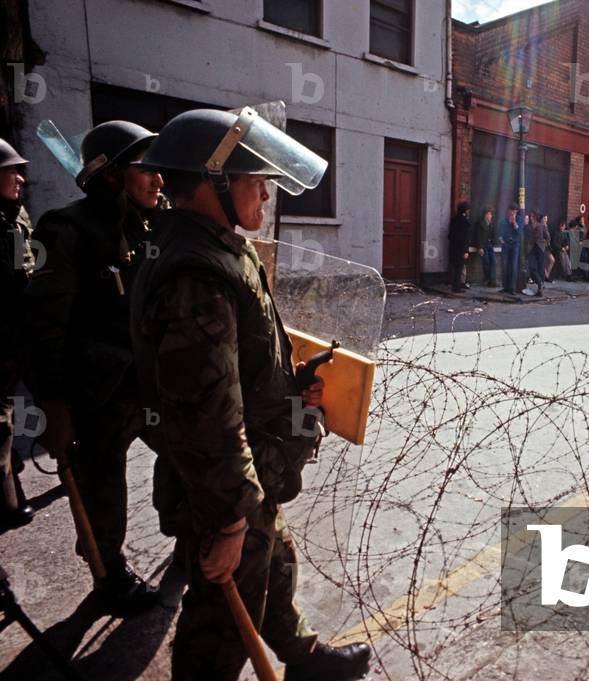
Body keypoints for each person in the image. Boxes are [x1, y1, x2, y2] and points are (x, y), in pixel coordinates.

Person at [130, 108, 372, 680]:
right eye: (254, 178)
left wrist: (290, 388)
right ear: (214, 181)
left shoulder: (213, 247)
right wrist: (232, 520)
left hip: (241, 475)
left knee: (275, 562)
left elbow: (235, 365)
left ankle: (304, 657)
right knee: (218, 622)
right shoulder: (197, 275)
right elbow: (206, 415)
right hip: (223, 484)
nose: (266, 192)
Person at [23, 121, 166, 614]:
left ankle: (192, 533)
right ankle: (108, 576)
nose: (158, 178)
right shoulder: (65, 229)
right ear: (109, 174)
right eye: (144, 166)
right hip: (97, 393)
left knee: (188, 456)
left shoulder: (151, 227)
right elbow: (44, 327)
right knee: (102, 488)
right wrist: (53, 405)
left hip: (148, 385)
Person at [0, 138, 34, 529]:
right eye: (11, 172)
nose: (21, 178)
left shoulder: (16, 215)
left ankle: (11, 473)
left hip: (21, 331)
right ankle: (7, 500)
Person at [448, 201, 472, 292]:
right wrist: (465, 250)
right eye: (468, 210)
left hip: (453, 248)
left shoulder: (454, 220)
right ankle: (456, 287)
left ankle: (454, 285)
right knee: (459, 268)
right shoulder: (464, 222)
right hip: (461, 249)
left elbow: (449, 236)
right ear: (465, 211)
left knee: (454, 268)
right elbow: (465, 238)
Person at [527, 211, 550, 297]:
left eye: (532, 216)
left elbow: (548, 238)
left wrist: (543, 242)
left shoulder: (541, 226)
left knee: (540, 268)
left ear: (536, 217)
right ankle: (540, 283)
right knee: (532, 266)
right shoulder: (530, 226)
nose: (531, 218)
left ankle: (540, 288)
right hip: (533, 248)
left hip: (540, 249)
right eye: (530, 216)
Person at [473, 206, 497, 287]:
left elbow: (493, 235)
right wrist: (479, 247)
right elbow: (477, 236)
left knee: (493, 261)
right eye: (490, 214)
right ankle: (487, 278)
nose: (491, 216)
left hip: (489, 245)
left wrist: (493, 243)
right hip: (483, 245)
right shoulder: (480, 223)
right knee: (486, 261)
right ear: (486, 214)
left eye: (491, 214)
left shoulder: (491, 224)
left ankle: (492, 280)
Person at [500, 205, 521, 294]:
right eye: (512, 211)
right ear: (509, 211)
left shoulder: (520, 219)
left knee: (513, 266)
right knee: (505, 266)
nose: (513, 213)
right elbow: (500, 231)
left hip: (515, 245)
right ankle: (505, 287)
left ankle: (512, 288)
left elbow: (520, 233)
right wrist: (500, 239)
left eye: (515, 211)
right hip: (506, 245)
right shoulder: (504, 220)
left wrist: (514, 223)